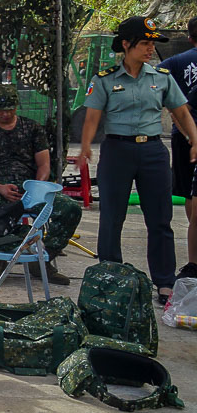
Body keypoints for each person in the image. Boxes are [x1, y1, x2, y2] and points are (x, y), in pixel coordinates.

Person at [80, 16, 197, 305]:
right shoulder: (104, 79)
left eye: (152, 43)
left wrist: (196, 139)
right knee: (111, 217)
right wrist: (84, 149)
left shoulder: (161, 78)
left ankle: (165, 283)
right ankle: (111, 275)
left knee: (160, 220)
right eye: (145, 43)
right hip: (117, 152)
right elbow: (92, 118)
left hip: (153, 153)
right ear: (125, 44)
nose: (150, 49)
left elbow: (181, 113)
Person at [0, 84, 82, 286]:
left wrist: (36, 188)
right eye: (1, 110)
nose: (6, 114)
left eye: (10, 109)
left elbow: (44, 164)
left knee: (70, 208)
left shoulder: (33, 128)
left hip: (30, 187)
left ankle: (44, 257)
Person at [158, 17, 197, 282]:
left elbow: (154, 81)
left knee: (188, 192)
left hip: (184, 133)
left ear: (190, 37)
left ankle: (194, 259)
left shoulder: (175, 62)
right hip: (189, 132)